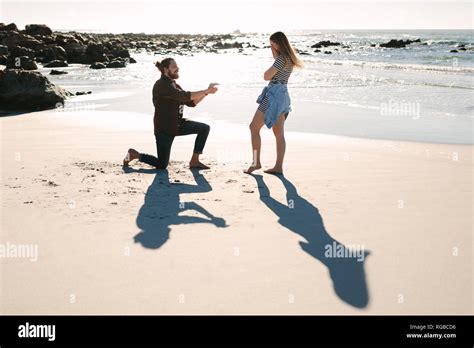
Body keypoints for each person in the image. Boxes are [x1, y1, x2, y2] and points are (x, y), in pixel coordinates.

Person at [123, 58, 219, 169]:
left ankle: (194, 161)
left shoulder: (174, 84)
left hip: (177, 124)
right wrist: (206, 91)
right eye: (174, 66)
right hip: (164, 129)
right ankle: (133, 155)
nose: (177, 68)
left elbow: (191, 102)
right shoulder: (161, 85)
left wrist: (207, 93)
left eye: (176, 66)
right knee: (162, 164)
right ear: (165, 69)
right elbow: (184, 96)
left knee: (204, 128)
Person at [244, 31, 303, 175]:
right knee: (279, 133)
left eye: (272, 43)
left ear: (278, 43)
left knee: (253, 127)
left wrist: (274, 56)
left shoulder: (280, 59)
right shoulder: (289, 58)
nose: (271, 46)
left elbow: (266, 76)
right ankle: (278, 167)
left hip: (273, 96)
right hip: (283, 95)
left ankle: (256, 162)